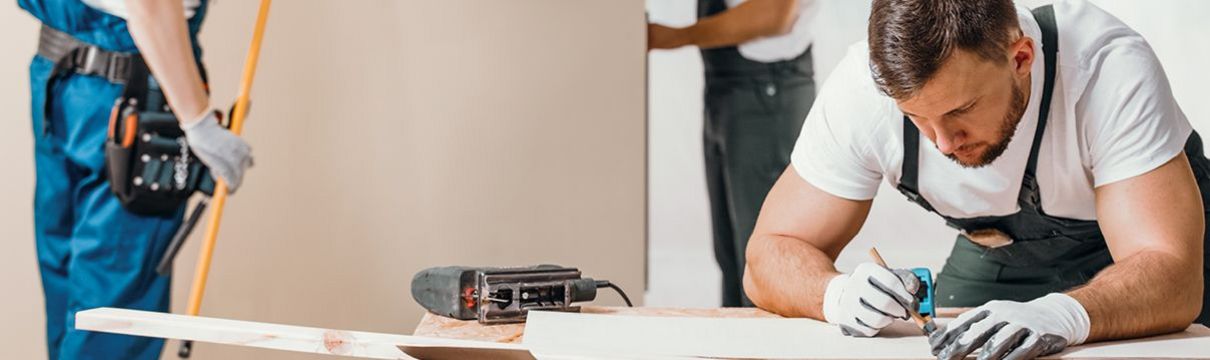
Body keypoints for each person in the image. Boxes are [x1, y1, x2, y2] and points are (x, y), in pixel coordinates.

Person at [742, 0, 1208, 359]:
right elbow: (767, 255)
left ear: (1021, 57)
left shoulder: (1106, 68)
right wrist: (834, 293)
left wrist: (1063, 313)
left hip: (1166, 250)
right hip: (1005, 247)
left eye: (960, 110)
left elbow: (1173, 275)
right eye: (917, 118)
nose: (943, 144)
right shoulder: (861, 94)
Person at [20, 0, 252, 357]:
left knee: (72, 305)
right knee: (110, 324)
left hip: (60, 76)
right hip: (132, 98)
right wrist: (198, 122)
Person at [648, 0, 819, 307]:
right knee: (732, 259)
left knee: (764, 264)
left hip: (767, 92)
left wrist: (671, 37)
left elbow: (774, 13)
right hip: (727, 87)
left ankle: (767, 355)